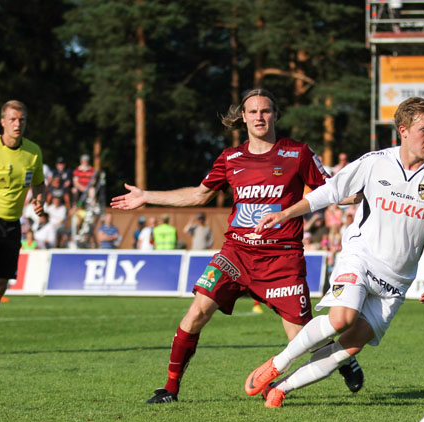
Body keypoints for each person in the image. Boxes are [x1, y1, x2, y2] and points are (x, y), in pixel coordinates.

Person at [110, 87, 364, 403]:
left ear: (275, 115)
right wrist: (147, 196)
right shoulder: (230, 158)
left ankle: (345, 357)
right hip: (236, 254)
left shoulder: (297, 153)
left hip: (281, 259)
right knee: (196, 313)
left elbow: (332, 191)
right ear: (242, 117)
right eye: (253, 111)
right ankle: (170, 390)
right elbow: (198, 195)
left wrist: (369, 190)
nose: (260, 117)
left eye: (266, 110)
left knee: (303, 339)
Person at [243, 96, 424, 408]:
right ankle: (278, 363)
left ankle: (280, 389)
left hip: (396, 282)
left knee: (351, 345)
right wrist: (285, 214)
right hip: (361, 257)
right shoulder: (375, 162)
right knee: (342, 317)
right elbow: (331, 191)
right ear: (403, 130)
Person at [0, 100, 45, 306]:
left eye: (22, 120)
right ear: (3, 122)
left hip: (13, 224)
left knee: (2, 281)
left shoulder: (33, 152)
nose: (17, 124)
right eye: (13, 120)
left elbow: (39, 183)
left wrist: (39, 198)